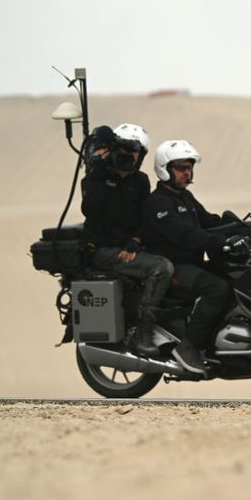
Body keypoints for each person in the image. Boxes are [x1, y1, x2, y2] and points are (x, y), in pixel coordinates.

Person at [142, 140, 248, 375]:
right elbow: (186, 235)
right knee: (217, 289)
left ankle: (217, 343)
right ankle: (188, 347)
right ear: (165, 170)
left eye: (189, 167)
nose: (187, 172)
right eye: (181, 168)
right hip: (174, 268)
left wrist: (247, 229)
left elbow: (210, 222)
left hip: (193, 265)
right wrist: (221, 242)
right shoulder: (158, 203)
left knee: (237, 278)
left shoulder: (185, 198)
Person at [80, 123, 175, 356]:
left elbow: (145, 217)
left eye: (135, 151)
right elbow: (90, 210)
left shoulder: (140, 181)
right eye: (125, 149)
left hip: (129, 247)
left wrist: (136, 239)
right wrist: (99, 169)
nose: (129, 155)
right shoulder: (95, 178)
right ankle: (143, 335)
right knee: (162, 268)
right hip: (103, 250)